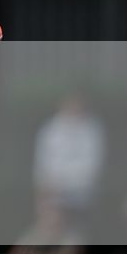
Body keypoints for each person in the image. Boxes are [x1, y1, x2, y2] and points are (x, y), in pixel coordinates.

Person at [32, 91, 106, 222]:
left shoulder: (92, 131)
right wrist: (46, 187)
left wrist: (61, 185)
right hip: (51, 195)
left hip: (80, 195)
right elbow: (42, 165)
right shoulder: (50, 130)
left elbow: (90, 170)